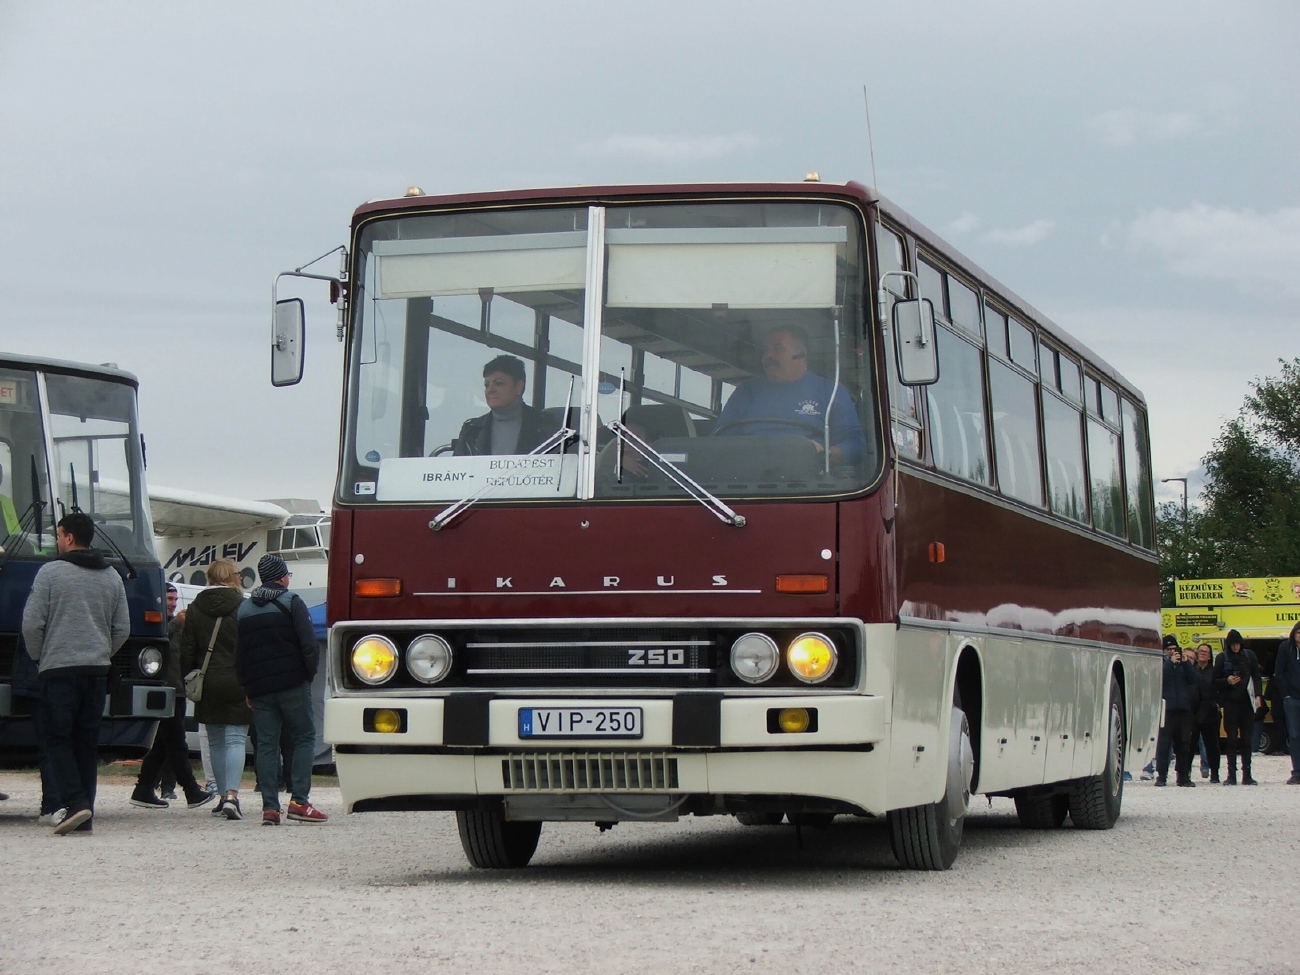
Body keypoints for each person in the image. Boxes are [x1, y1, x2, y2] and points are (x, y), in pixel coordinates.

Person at [21, 512, 129, 835]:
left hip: (59, 669)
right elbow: (123, 628)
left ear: (68, 538)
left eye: (58, 535)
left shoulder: (50, 573)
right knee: (86, 742)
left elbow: (31, 624)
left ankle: (75, 801)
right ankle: (86, 815)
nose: (57, 541)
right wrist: (101, 651)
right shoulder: (112, 576)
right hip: (97, 671)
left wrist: (42, 655)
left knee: (57, 739)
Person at [236, 554, 327, 826]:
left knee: (266, 744)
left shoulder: (245, 610)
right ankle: (299, 801)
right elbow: (309, 645)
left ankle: (270, 808)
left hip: (260, 689)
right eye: (287, 574)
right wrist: (307, 676)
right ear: (282, 576)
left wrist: (247, 688)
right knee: (305, 737)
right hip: (292, 684)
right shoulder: (292, 602)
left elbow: (240, 655)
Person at [713, 327, 865, 465]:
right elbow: (719, 441)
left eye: (777, 349)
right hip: (748, 478)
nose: (768, 356)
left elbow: (856, 444)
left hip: (811, 485)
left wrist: (826, 454)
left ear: (801, 354)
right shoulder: (746, 392)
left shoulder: (831, 391)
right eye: (765, 350)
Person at [129, 584, 214, 811]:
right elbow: (159, 646)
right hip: (163, 690)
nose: (173, 603)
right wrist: (177, 624)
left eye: (175, 599)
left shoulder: (177, 625)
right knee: (177, 743)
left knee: (162, 745)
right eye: (169, 598)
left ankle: (143, 788)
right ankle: (191, 790)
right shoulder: (160, 625)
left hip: (176, 689)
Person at [179, 558, 250, 819]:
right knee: (236, 740)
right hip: (237, 679)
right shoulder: (243, 607)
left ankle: (221, 796)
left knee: (217, 742)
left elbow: (187, 650)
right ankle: (232, 795)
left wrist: (189, 677)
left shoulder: (196, 608)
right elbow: (249, 648)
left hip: (207, 681)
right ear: (231, 577)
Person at [452, 355, 559, 456]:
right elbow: (457, 470)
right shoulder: (472, 430)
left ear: (518, 386)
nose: (490, 390)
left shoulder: (544, 424)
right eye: (487, 385)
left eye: (498, 383)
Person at [1213, 628, 1262, 785]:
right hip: (1230, 704)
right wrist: (1227, 681)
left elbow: (1256, 676)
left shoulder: (1250, 656)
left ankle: (1247, 773)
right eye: (1233, 645)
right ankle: (1231, 774)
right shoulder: (1222, 658)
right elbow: (1215, 680)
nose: (1235, 647)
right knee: (1232, 739)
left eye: (1237, 644)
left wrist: (1258, 696)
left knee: (1247, 739)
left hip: (1247, 703)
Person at [1155, 636, 1197, 787]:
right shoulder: (1161, 664)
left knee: (1184, 744)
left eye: (1175, 650)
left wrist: (1186, 664)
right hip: (1167, 709)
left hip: (1184, 710)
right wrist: (1168, 664)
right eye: (1169, 650)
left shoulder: (1183, 666)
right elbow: (1158, 679)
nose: (1173, 653)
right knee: (1164, 744)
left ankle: (1183, 776)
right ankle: (1161, 775)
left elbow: (1194, 679)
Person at [1273, 620, 1300, 785]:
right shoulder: (1286, 648)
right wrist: (1286, 694)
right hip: (1292, 699)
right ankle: (1297, 771)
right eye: (1298, 632)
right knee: (1295, 735)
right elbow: (1279, 672)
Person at [1191, 643, 1221, 783]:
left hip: (1210, 712)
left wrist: (1218, 703)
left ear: (1210, 656)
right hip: (1194, 712)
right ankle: (1185, 774)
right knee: (1190, 744)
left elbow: (1220, 688)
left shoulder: (1214, 671)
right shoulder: (1192, 670)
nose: (1202, 653)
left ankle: (1215, 773)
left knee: (1212, 745)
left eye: (1205, 652)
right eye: (1200, 651)